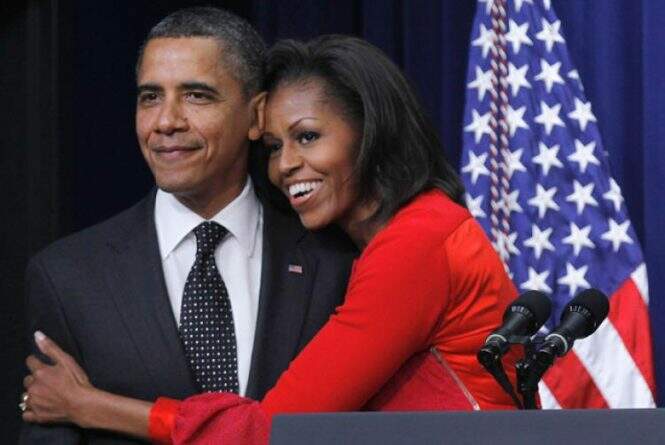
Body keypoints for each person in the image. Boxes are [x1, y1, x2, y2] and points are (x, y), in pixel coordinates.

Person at [23, 35, 521, 444]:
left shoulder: (416, 244)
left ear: (371, 131)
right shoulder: (399, 235)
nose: (284, 165)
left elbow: (273, 429)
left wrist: (90, 405)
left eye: (308, 137)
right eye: (274, 146)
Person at [20, 9, 355, 444]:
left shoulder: (335, 261)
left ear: (256, 117)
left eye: (196, 96)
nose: (166, 122)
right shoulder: (67, 276)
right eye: (150, 97)